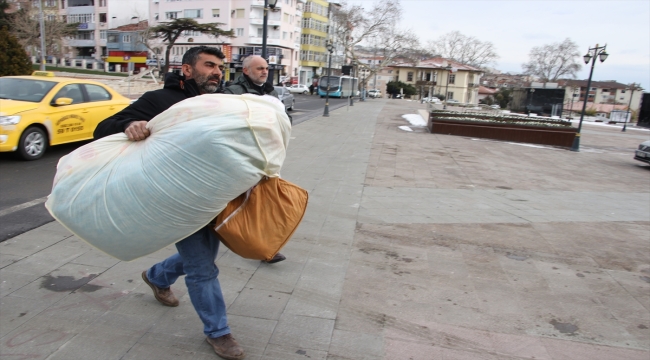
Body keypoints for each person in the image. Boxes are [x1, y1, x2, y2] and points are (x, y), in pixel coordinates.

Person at [93, 46, 245, 360]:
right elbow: (103, 128)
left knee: (202, 255)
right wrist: (129, 126)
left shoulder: (220, 101)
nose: (217, 71)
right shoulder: (159, 100)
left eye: (220, 66)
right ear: (187, 70)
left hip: (213, 195)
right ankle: (219, 333)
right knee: (203, 268)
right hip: (176, 199)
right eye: (209, 65)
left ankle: (157, 276)